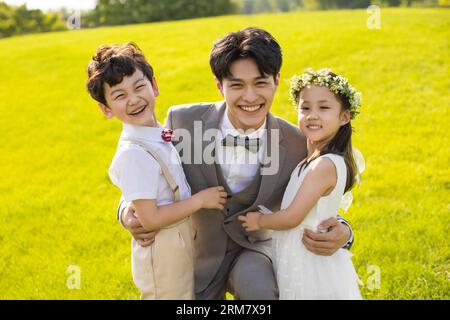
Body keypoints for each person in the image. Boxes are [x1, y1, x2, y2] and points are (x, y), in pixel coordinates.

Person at [119, 28, 355, 300]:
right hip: (195, 254)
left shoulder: (296, 141)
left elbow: (320, 192)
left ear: (277, 81)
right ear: (219, 86)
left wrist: (345, 232)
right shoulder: (183, 122)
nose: (250, 97)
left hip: (255, 251)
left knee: (260, 291)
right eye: (237, 85)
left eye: (260, 83)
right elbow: (143, 163)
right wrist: (126, 210)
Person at [86, 42, 227, 299]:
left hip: (180, 239)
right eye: (119, 95)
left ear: (155, 85)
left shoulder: (159, 132)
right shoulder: (132, 153)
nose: (134, 99)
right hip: (161, 247)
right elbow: (149, 219)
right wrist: (200, 200)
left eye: (139, 87)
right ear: (106, 109)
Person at [239, 68, 362, 299]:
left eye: (324, 108)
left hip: (310, 259)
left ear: (344, 117)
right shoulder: (309, 157)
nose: (312, 115)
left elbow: (293, 217)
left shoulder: (324, 165)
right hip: (292, 256)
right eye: (305, 108)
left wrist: (259, 220)